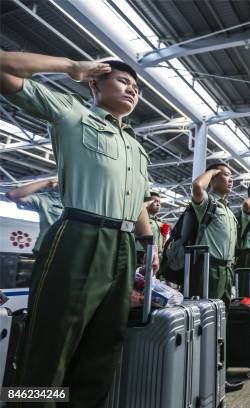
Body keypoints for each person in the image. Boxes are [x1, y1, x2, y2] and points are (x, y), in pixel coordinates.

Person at [0, 51, 159, 406]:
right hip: (80, 236)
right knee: (51, 342)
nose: (132, 90)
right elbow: (3, 66)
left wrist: (149, 245)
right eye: (123, 81)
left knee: (103, 348)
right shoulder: (73, 114)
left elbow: (137, 205)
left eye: (136, 87)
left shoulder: (135, 146)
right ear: (95, 83)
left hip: (122, 246)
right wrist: (70, 67)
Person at [191, 162, 237, 306]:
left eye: (231, 176)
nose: (231, 180)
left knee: (224, 312)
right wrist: (212, 172)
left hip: (227, 269)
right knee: (208, 312)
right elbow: (197, 186)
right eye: (226, 175)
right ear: (214, 179)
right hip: (209, 268)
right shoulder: (208, 202)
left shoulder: (228, 210)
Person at [6, 178, 63, 255]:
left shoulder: (80, 202)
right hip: (46, 251)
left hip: (71, 252)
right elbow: (13, 194)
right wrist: (47, 182)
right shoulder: (46, 199)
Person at [136, 191, 165, 262]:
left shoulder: (159, 223)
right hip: (141, 254)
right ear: (147, 203)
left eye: (159, 202)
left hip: (158, 255)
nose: (158, 204)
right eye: (155, 201)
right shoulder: (140, 219)